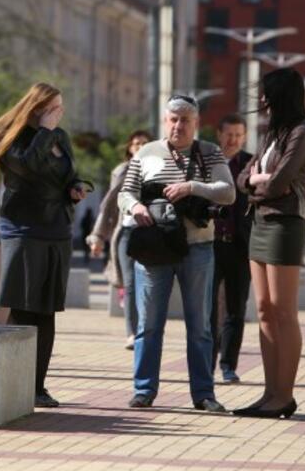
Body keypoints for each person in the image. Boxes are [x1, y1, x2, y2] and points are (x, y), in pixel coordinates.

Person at [0, 82, 88, 408]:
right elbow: (27, 167)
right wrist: (44, 132)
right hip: (24, 230)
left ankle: (38, 386)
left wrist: (75, 187)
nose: (60, 114)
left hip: (57, 229)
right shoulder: (16, 138)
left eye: (61, 108)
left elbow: (68, 173)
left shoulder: (59, 137)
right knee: (23, 309)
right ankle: (14, 382)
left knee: (46, 310)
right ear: (37, 109)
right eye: (54, 109)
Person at [118, 95, 234, 412]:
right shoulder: (146, 153)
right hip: (154, 248)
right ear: (164, 120)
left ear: (196, 123)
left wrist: (192, 187)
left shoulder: (209, 153)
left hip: (198, 248)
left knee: (200, 326)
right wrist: (136, 206)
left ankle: (204, 394)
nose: (178, 126)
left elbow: (229, 192)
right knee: (149, 324)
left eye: (185, 120)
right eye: (173, 119)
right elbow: (125, 193)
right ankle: (143, 390)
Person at [234, 67, 305, 419]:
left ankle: (284, 395)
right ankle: (269, 394)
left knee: (284, 311)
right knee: (265, 310)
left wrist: (259, 181)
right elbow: (241, 179)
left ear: (282, 95)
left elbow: (281, 183)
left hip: (285, 223)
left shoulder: (303, 131)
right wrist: (257, 180)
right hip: (261, 222)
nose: (262, 100)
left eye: (267, 94)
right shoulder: (272, 134)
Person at [87, 130, 151, 350]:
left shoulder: (159, 168)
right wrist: (97, 237)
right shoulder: (121, 172)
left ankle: (145, 329)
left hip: (152, 234)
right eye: (136, 144)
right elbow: (108, 207)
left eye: (145, 143)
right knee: (131, 282)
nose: (140, 147)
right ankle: (132, 333)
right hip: (126, 233)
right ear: (129, 148)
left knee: (149, 284)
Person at [210, 114, 254, 385]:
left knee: (236, 308)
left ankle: (228, 365)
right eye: (229, 134)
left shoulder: (251, 163)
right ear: (219, 134)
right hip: (210, 245)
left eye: (239, 135)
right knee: (208, 309)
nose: (233, 139)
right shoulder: (207, 161)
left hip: (240, 247)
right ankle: (206, 363)